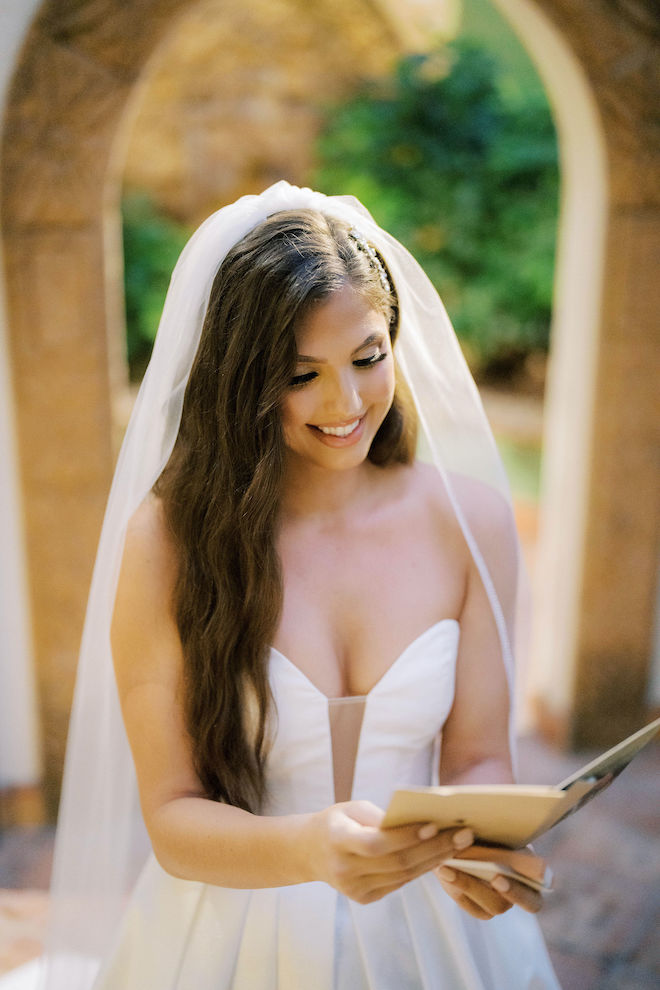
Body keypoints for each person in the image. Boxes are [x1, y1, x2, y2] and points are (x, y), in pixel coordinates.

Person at [17, 183, 560, 990]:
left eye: (368, 358)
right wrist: (310, 850)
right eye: (301, 375)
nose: (346, 403)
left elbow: (479, 755)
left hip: (439, 939)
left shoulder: (473, 522)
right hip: (233, 931)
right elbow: (171, 818)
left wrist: (479, 847)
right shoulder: (168, 544)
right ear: (240, 379)